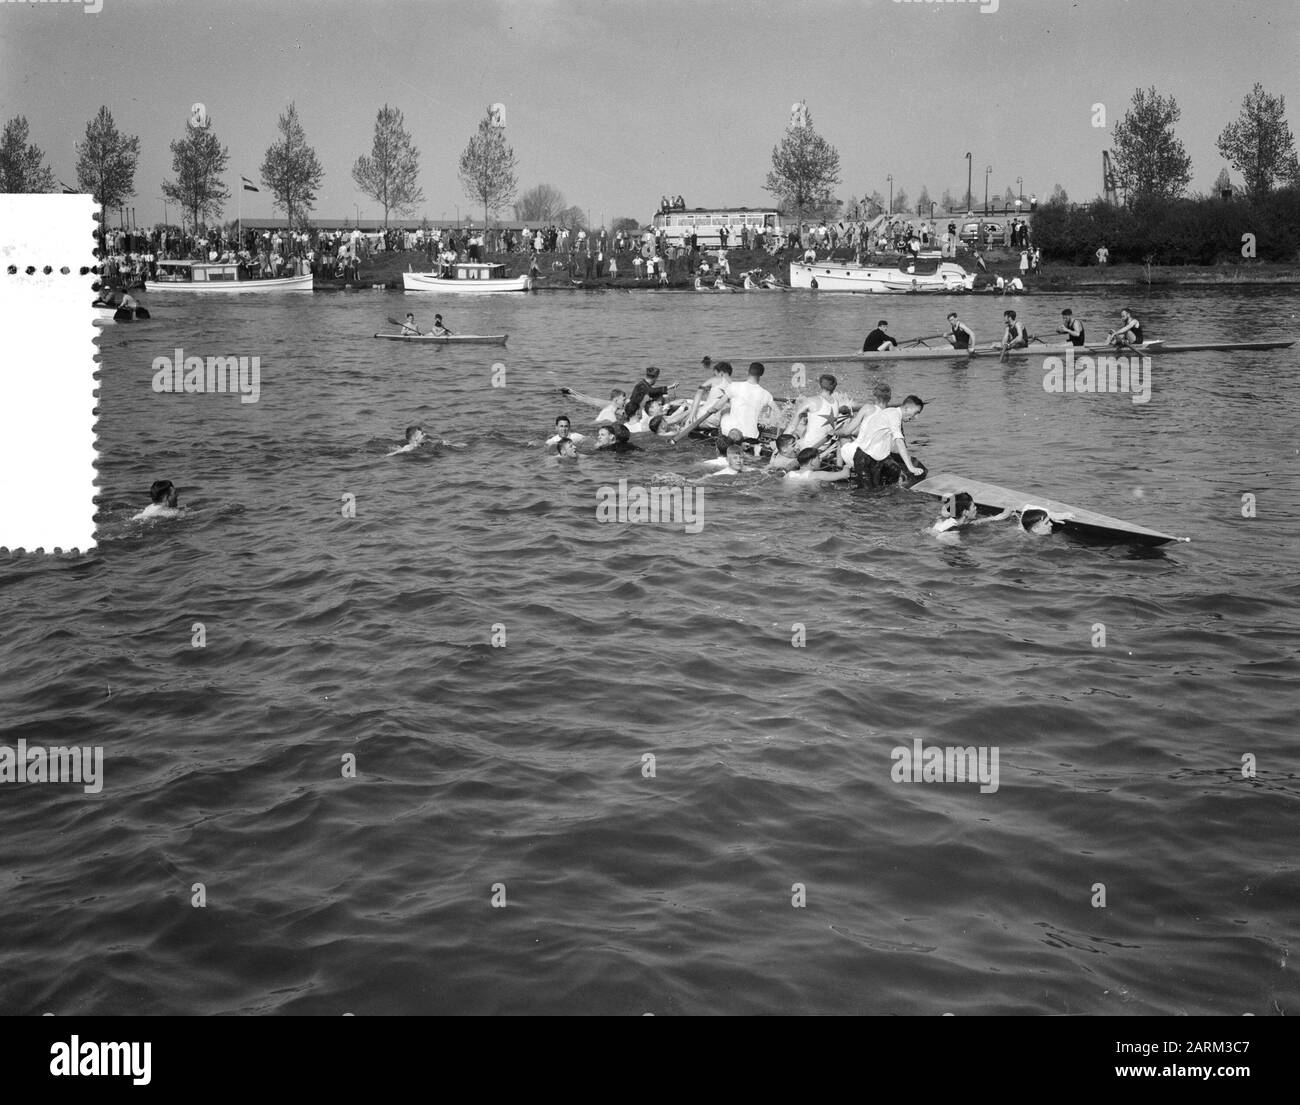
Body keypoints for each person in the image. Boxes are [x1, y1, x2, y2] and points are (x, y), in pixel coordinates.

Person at [716, 362, 777, 445]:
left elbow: (717, 406)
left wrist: (709, 411)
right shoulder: (766, 394)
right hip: (752, 436)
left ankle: (721, 440)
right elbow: (778, 413)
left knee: (725, 410)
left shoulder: (734, 386)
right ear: (761, 374)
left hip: (733, 435)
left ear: (748, 372)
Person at [785, 373, 850, 451]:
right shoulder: (836, 402)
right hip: (825, 445)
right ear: (834, 387)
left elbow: (792, 427)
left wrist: (780, 443)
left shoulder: (810, 401)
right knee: (803, 427)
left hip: (809, 447)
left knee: (796, 428)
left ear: (820, 386)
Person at [930, 492, 1013, 534]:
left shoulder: (954, 518)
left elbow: (977, 522)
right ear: (965, 512)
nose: (976, 508)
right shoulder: (952, 531)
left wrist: (1002, 515)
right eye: (973, 506)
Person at [785, 446, 852, 485]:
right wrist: (847, 466)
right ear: (811, 461)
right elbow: (845, 474)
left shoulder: (789, 475)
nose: (821, 460)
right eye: (818, 458)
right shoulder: (816, 475)